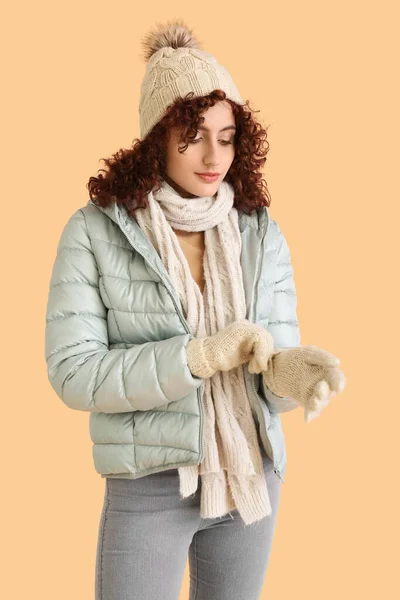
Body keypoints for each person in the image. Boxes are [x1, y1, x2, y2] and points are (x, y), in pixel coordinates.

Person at [44, 19, 346, 600]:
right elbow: (75, 373)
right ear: (157, 135)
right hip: (149, 485)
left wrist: (287, 373)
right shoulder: (95, 232)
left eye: (227, 136)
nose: (214, 155)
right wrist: (200, 356)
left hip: (250, 476)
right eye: (194, 133)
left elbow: (268, 362)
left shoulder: (259, 232)